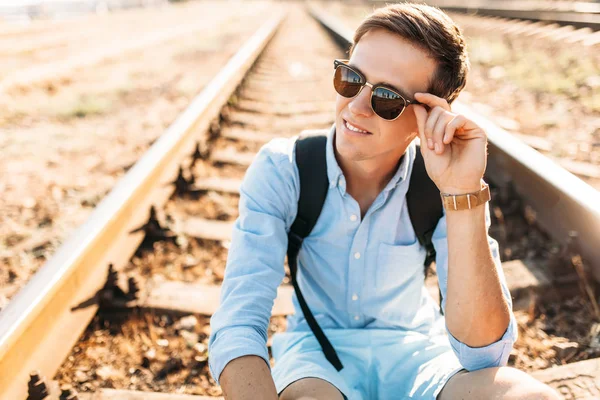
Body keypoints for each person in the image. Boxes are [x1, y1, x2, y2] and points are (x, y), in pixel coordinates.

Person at [208, 3, 561, 400]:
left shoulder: (438, 185)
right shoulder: (284, 169)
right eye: (350, 78)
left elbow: (484, 353)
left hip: (419, 354)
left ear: (428, 115)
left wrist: (462, 192)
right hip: (315, 358)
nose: (356, 106)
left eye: (388, 99)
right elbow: (239, 323)